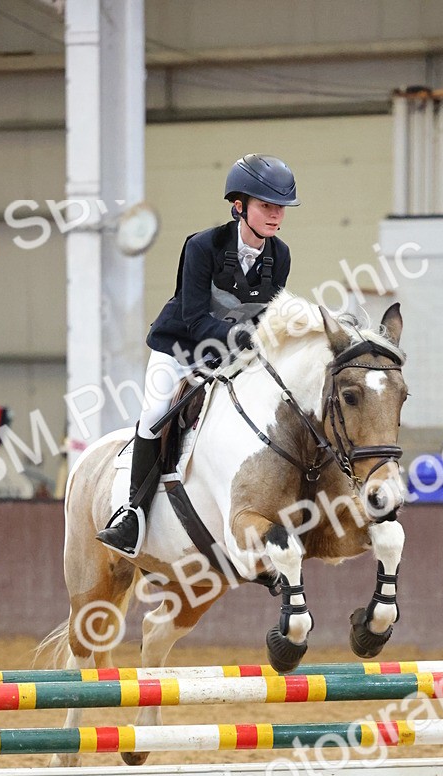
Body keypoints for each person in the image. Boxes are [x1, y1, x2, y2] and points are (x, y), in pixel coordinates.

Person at [97, 153, 299, 556]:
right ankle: (132, 514)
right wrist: (242, 338)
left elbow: (267, 318)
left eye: (280, 208)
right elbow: (193, 316)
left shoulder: (280, 256)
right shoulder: (202, 246)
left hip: (230, 357)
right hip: (179, 348)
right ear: (239, 206)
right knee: (155, 414)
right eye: (266, 206)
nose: (276, 215)